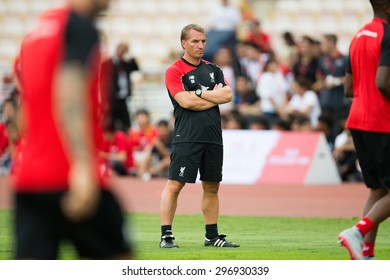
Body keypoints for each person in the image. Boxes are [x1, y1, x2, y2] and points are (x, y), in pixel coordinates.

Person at [13, 0, 132, 259]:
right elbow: (70, 94)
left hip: (30, 180)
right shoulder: (79, 28)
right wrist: (82, 164)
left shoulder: (37, 31)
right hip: (67, 173)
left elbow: (23, 115)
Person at [160, 24, 239, 248]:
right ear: (184, 43)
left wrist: (197, 93)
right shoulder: (174, 70)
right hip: (187, 136)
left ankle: (211, 236)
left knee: (212, 186)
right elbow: (185, 102)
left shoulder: (214, 69)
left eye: (203, 41)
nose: (201, 45)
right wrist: (212, 96)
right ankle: (166, 236)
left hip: (213, 136)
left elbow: (228, 95)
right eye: (195, 41)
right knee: (175, 185)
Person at [338, 0, 390, 260]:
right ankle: (357, 233)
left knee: (378, 190)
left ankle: (365, 253)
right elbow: (383, 81)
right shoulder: (388, 34)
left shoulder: (358, 35)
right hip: (383, 122)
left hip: (358, 120)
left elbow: (348, 88)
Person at [101, 42, 139, 131]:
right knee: (110, 122)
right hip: (112, 98)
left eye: (125, 51)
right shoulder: (108, 63)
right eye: (122, 50)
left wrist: (130, 55)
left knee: (126, 123)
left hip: (123, 98)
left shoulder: (125, 63)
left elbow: (136, 68)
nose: (123, 53)